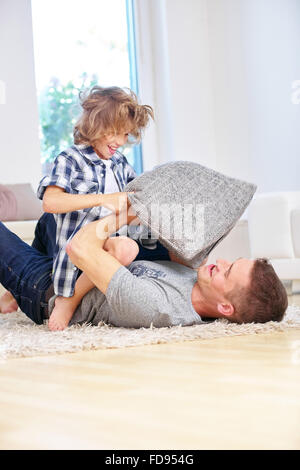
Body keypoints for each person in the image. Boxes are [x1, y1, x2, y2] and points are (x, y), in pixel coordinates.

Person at [0, 197, 288, 327]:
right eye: (231, 262)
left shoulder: (156, 307)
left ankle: (18, 290)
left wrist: (124, 214)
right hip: (79, 268)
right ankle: (9, 293)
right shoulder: (198, 281)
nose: (221, 263)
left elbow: (80, 247)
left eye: (228, 272)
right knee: (51, 220)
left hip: (50, 291)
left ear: (226, 307)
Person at [36, 85, 154, 331]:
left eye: (126, 134)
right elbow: (51, 202)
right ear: (98, 124)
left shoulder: (120, 163)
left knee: (127, 247)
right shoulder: (70, 159)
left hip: (108, 248)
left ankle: (73, 297)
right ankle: (67, 300)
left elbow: (135, 202)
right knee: (44, 228)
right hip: (78, 250)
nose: (121, 142)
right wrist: (103, 199)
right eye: (117, 133)